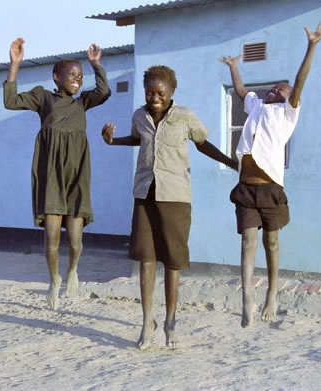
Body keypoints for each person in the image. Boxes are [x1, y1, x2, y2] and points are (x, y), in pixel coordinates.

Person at [102, 65, 237, 350]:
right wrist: (113, 141)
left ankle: (170, 321)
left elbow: (202, 144)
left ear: (171, 92)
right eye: (150, 92)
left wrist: (231, 162)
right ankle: (147, 321)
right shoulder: (139, 116)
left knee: (173, 261)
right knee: (146, 259)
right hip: (144, 195)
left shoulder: (185, 116)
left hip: (175, 197)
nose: (154, 98)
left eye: (160, 93)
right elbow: (138, 139)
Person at [220, 24, 321, 327]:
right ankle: (247, 299)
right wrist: (233, 68)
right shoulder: (256, 105)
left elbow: (300, 80)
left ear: (289, 98)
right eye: (273, 88)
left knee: (272, 244)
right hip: (245, 187)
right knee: (247, 243)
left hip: (270, 189)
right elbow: (242, 91)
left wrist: (312, 46)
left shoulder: (287, 113)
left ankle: (271, 293)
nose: (275, 90)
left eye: (280, 90)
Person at [3, 38, 110, 310]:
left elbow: (104, 90)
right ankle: (53, 280)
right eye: (72, 75)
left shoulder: (83, 102)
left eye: (79, 76)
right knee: (51, 238)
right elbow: (11, 101)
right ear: (56, 76)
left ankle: (72, 270)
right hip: (51, 177)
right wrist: (15, 65)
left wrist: (96, 65)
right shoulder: (43, 97)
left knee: (75, 240)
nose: (76, 79)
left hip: (76, 178)